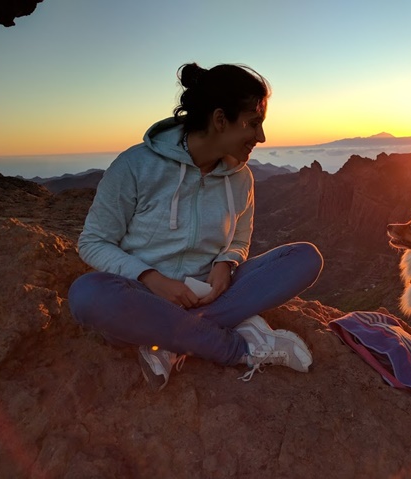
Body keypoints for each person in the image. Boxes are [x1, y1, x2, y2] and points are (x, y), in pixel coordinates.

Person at [68, 62, 323, 391]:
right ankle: (239, 348)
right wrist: (152, 279)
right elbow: (93, 242)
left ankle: (169, 340)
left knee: (305, 258)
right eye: (253, 123)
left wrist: (226, 263)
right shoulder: (135, 166)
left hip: (209, 295)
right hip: (145, 297)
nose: (261, 137)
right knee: (87, 295)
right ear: (220, 120)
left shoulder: (241, 177)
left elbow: (240, 240)